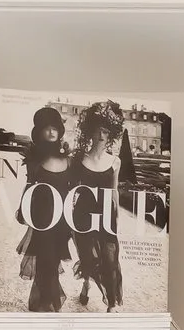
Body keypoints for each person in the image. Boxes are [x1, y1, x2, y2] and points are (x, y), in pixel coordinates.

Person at [13, 104, 77, 312]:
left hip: (62, 220)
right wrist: (23, 210)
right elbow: (29, 185)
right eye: (46, 128)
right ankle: (48, 304)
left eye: (54, 128)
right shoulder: (34, 161)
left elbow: (75, 190)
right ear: (39, 131)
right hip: (41, 219)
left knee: (52, 258)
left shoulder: (68, 160)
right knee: (45, 260)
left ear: (59, 130)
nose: (51, 131)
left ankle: (45, 301)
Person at [69, 102, 126, 312]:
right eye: (97, 129)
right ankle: (86, 283)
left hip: (106, 216)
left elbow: (114, 191)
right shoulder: (78, 160)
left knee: (110, 260)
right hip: (83, 216)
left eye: (105, 130)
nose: (101, 135)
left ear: (111, 133)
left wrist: (117, 216)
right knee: (90, 258)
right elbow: (70, 190)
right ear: (90, 131)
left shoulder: (115, 162)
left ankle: (111, 304)